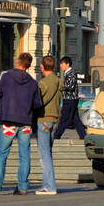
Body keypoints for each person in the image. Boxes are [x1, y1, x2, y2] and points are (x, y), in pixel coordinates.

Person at [0, 53, 40, 195]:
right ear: (29, 65)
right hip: (25, 122)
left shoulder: (6, 76)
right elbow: (37, 104)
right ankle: (23, 186)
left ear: (17, 61)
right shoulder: (33, 82)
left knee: (2, 154)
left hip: (8, 121)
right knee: (25, 155)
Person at [35, 56, 61, 195]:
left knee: (44, 153)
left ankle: (49, 186)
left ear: (42, 67)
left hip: (43, 118)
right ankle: (48, 183)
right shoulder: (58, 81)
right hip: (54, 118)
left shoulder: (43, 83)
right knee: (48, 152)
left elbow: (38, 101)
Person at [54, 55, 88, 140]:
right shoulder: (68, 73)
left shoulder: (71, 74)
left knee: (63, 119)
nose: (61, 66)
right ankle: (83, 136)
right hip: (71, 99)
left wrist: (59, 87)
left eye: (62, 63)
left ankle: (56, 136)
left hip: (69, 100)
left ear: (67, 64)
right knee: (75, 119)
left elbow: (70, 87)